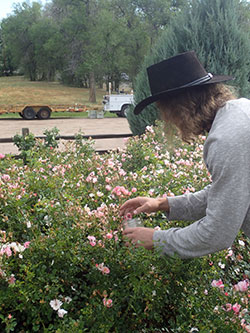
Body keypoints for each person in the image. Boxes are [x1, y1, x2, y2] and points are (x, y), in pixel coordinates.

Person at [120, 50, 250, 259]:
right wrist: (163, 204)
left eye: (165, 111)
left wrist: (156, 239)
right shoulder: (239, 112)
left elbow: (217, 233)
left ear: (181, 106)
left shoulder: (227, 138)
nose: (167, 121)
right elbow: (229, 193)